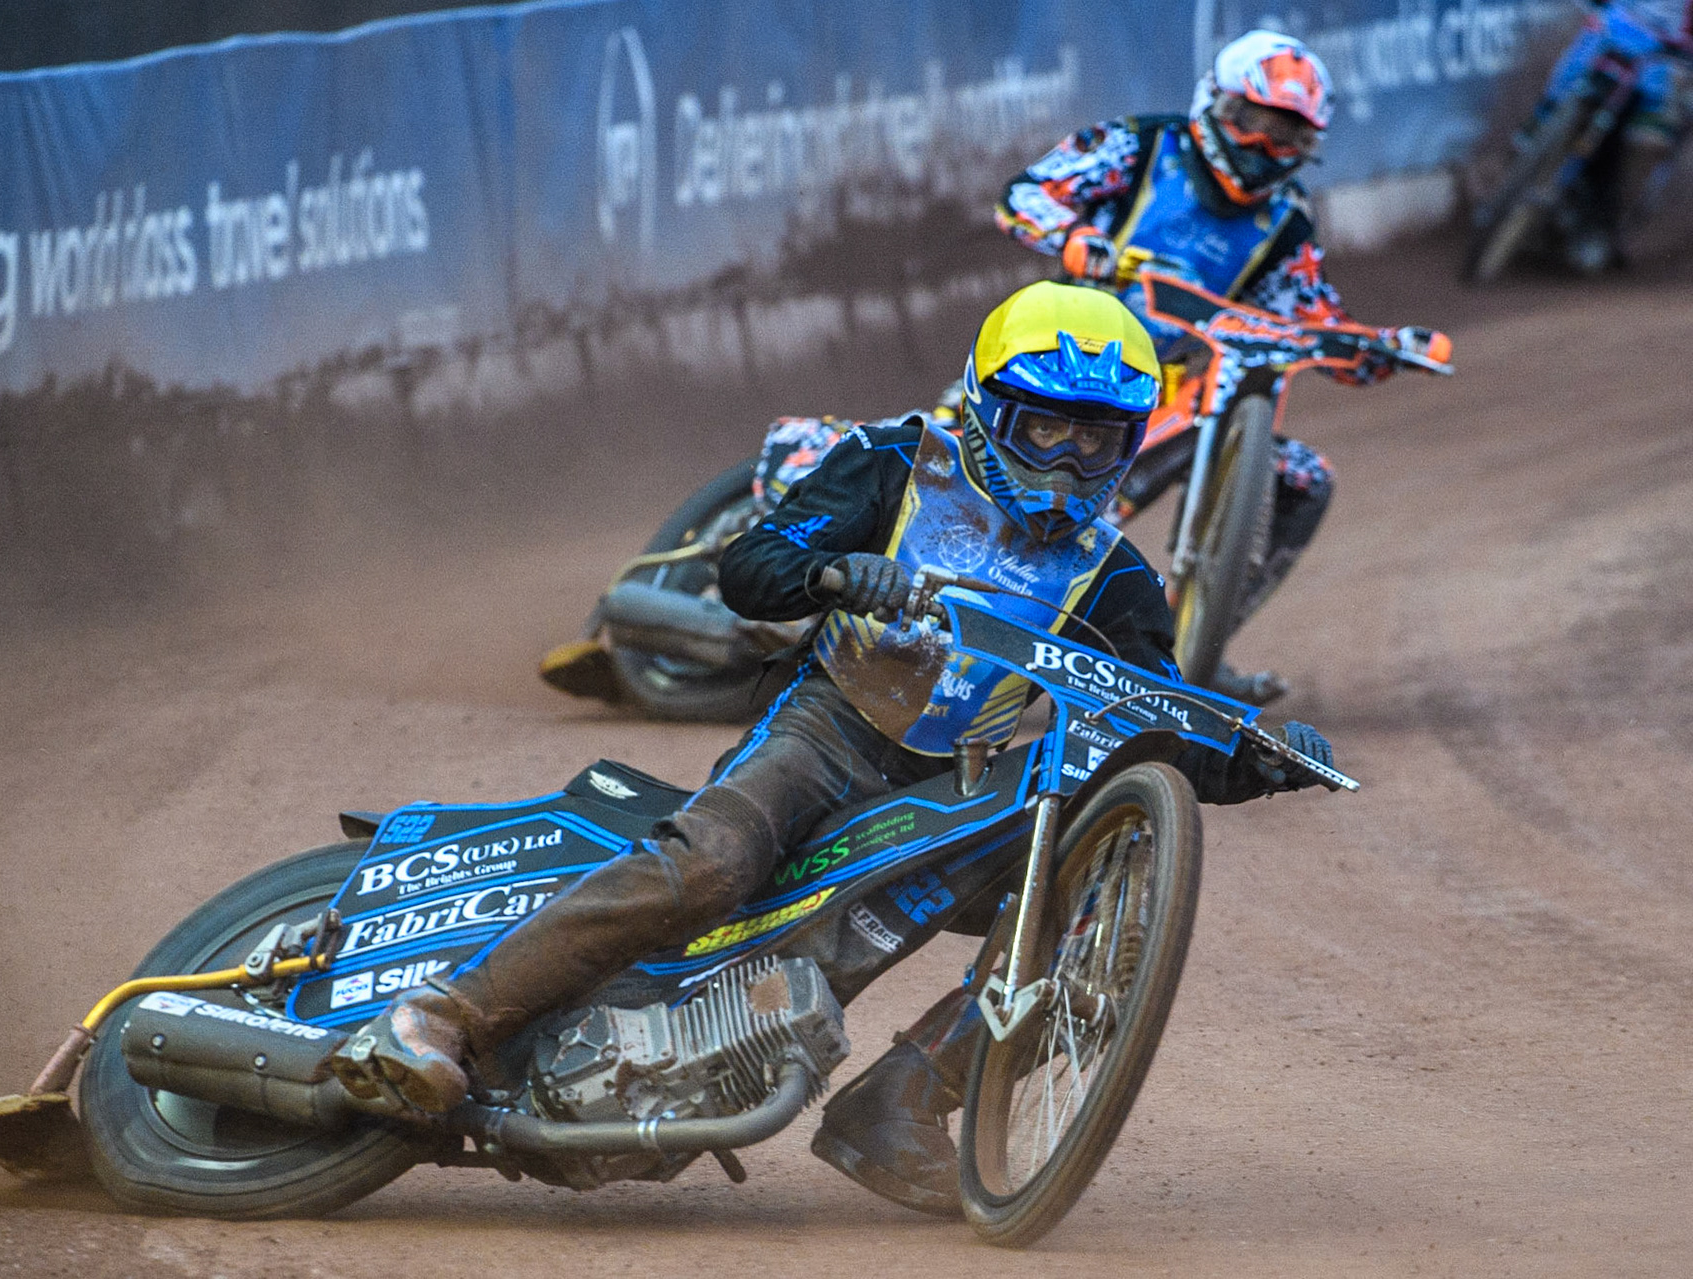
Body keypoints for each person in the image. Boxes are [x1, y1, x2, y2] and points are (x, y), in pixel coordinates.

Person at [326, 281, 1337, 1215]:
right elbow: (751, 564)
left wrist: (1256, 759)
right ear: (991, 409)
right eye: (1046, 428)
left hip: (957, 786)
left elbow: (1159, 718)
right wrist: (837, 575)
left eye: (1098, 437)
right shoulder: (899, 463)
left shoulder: (1116, 577)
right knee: (714, 862)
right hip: (826, 728)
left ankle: (896, 1106)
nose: (1070, 460)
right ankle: (446, 1014)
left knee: (1087, 919)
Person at [996, 29, 1441, 704]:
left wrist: (1380, 349)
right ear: (1214, 104)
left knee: (1305, 478)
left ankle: (1184, 647)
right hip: (1057, 365)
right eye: (1254, 125)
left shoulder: (1286, 222)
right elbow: (1025, 195)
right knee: (942, 457)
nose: (1265, 148)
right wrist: (1075, 236)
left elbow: (1312, 318)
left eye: (1287, 139)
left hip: (1181, 385)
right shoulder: (1143, 145)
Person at [1522, 0, 1691, 271]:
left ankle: (1606, 224)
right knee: (1565, 81)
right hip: (1612, 37)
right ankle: (1518, 164)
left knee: (1650, 141)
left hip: (1665, 65)